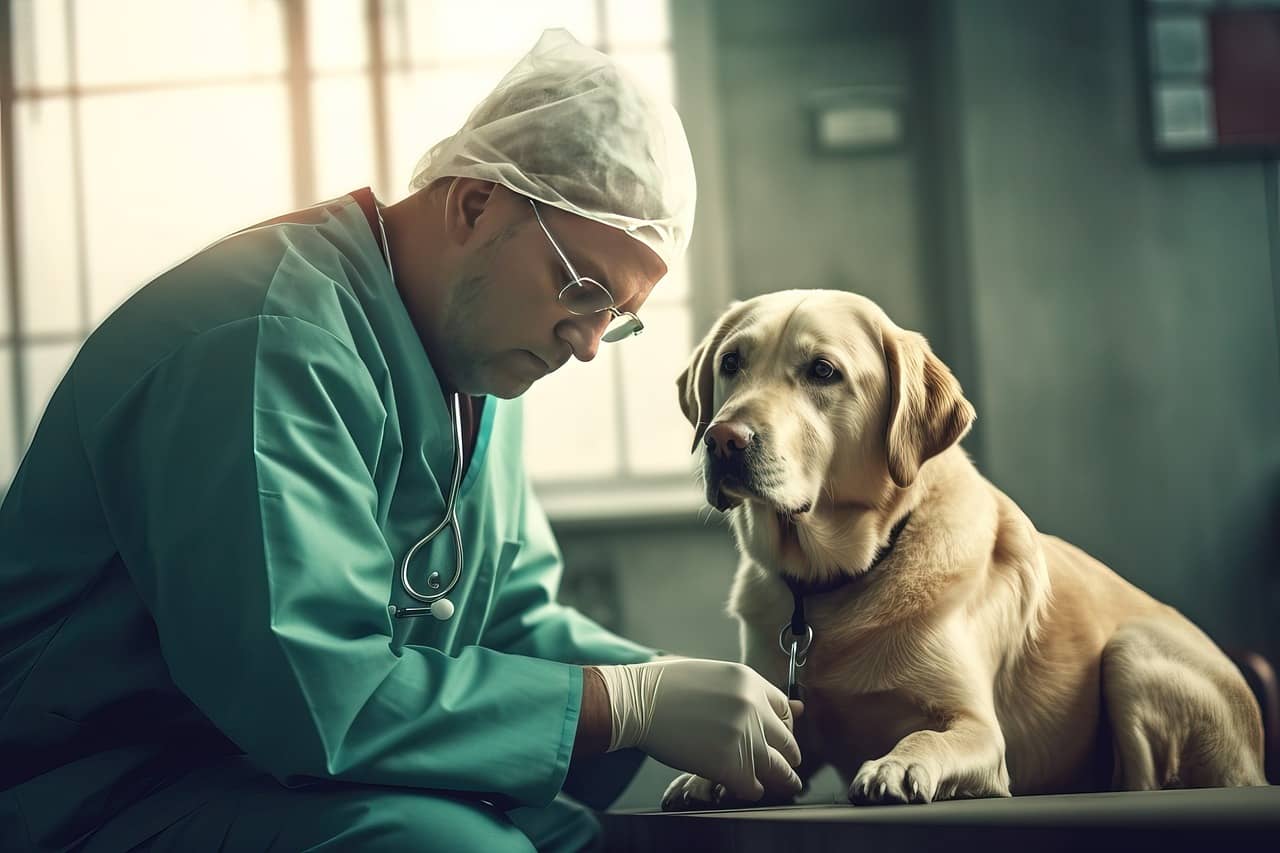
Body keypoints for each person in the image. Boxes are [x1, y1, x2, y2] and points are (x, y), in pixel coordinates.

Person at [0, 29, 802, 853]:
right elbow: (311, 695)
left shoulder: (482, 363)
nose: (589, 342)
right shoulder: (264, 339)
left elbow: (509, 624)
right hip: (105, 787)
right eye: (584, 287)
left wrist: (679, 686)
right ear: (474, 204)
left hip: (259, 774)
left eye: (617, 316)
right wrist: (626, 702)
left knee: (576, 836)